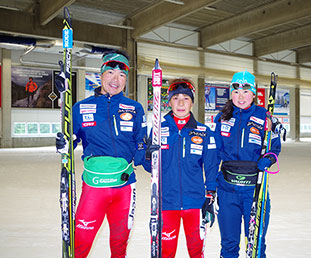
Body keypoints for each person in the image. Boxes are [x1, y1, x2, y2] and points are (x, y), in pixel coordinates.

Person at [56, 49, 147, 258]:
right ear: (101, 74)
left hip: (124, 186)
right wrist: (64, 142)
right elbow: (70, 142)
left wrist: (150, 154)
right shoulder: (81, 107)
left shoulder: (135, 108)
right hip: (94, 185)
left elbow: (140, 147)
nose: (116, 79)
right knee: (80, 243)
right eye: (111, 73)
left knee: (119, 244)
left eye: (122, 75)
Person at [145, 79, 219, 258]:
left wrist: (210, 197)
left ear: (192, 103)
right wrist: (148, 154)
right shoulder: (157, 129)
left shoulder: (203, 132)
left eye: (186, 98)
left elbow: (211, 166)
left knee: (196, 252)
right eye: (175, 98)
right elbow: (149, 167)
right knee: (166, 253)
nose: (180, 103)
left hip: (194, 203)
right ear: (169, 102)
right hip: (166, 203)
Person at [213, 71, 281, 258]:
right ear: (231, 93)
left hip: (254, 190)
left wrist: (268, 158)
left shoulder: (265, 117)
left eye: (245, 91)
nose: (240, 96)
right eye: (236, 91)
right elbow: (214, 154)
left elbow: (275, 147)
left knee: (256, 245)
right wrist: (211, 185)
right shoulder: (222, 118)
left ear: (253, 93)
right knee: (229, 244)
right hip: (227, 190)